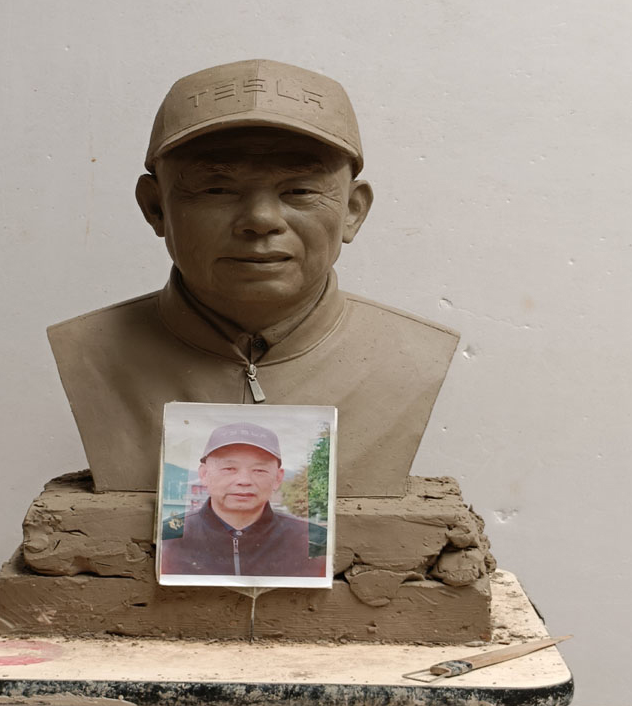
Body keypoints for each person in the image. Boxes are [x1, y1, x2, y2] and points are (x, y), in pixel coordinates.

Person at [48, 60, 459, 497]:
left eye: (300, 190)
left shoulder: (414, 356)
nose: (261, 220)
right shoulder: (90, 350)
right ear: (156, 208)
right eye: (217, 190)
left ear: (353, 211)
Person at [159, 422, 326, 577]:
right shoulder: (167, 536)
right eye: (229, 468)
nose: (244, 480)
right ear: (204, 474)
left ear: (278, 478)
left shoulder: (315, 541)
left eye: (259, 470)